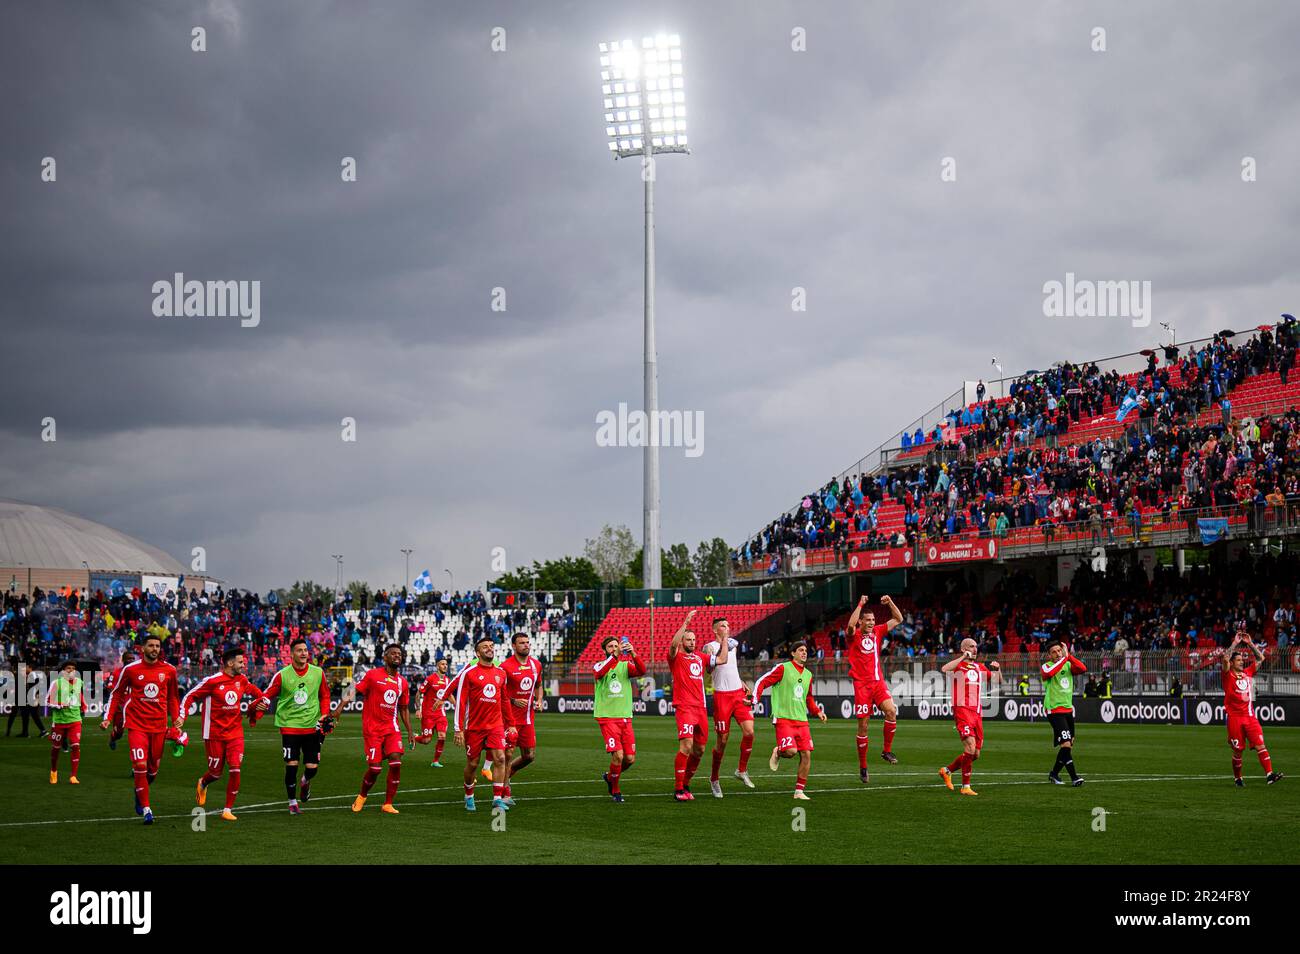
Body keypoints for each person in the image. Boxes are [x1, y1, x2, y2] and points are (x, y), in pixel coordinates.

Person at [177, 647, 269, 821]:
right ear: (230, 663)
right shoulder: (212, 681)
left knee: (235, 768)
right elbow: (189, 696)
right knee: (215, 773)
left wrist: (262, 701)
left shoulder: (241, 680)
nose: (243, 665)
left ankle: (227, 809)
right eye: (241, 662)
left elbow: (259, 694)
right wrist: (182, 716)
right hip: (214, 734)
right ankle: (203, 782)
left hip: (235, 733)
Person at [100, 633, 180, 824]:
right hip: (137, 726)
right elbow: (117, 694)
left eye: (157, 646)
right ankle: (147, 809)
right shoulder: (131, 669)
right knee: (140, 765)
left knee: (152, 771)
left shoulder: (169, 670)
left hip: (159, 727)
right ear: (142, 649)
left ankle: (139, 790)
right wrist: (107, 718)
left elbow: (173, 698)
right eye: (151, 646)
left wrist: (176, 719)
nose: (154, 649)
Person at [439, 634, 515, 812]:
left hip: (496, 725)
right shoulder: (469, 673)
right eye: (485, 647)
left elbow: (504, 700)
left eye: (491, 645)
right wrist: (458, 729)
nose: (490, 648)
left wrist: (510, 723)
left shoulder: (501, 673)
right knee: (473, 764)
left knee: (501, 758)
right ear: (477, 652)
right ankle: (469, 795)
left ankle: (497, 798)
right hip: (474, 727)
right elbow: (461, 702)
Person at [337, 644, 413, 814]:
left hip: (392, 729)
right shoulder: (372, 675)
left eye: (399, 654)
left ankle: (388, 803)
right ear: (385, 657)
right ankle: (362, 796)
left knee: (396, 763)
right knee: (375, 769)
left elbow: (404, 708)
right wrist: (338, 708)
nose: (397, 656)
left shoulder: (403, 682)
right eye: (393, 653)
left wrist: (409, 731)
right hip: (372, 729)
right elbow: (353, 689)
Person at [261, 636, 332, 815]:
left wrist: (324, 714)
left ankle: (305, 782)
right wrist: (260, 704)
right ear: (291, 654)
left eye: (305, 651)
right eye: (299, 651)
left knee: (312, 768)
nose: (303, 653)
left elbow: (325, 695)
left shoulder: (318, 673)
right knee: (291, 765)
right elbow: (267, 694)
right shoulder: (282, 675)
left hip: (312, 726)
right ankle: (292, 802)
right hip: (290, 726)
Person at [751, 640, 826, 800]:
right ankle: (778, 751)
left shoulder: (808, 675)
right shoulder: (783, 668)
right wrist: (754, 700)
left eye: (806, 650)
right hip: (784, 719)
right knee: (791, 752)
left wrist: (817, 711)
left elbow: (809, 697)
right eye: (800, 650)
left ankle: (799, 791)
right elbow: (762, 682)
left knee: (806, 754)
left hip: (802, 721)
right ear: (793, 653)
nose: (804, 652)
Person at [846, 594, 903, 782]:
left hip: (878, 683)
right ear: (861, 622)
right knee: (863, 727)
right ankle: (863, 767)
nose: (871, 623)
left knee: (891, 711)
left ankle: (886, 751)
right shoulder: (853, 636)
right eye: (867, 620)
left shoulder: (878, 631)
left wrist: (890, 603)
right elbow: (850, 626)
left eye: (872, 620)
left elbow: (898, 619)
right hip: (862, 686)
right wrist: (860, 603)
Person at [1212, 634, 1283, 786]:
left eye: (1242, 660)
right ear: (1232, 663)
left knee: (1261, 746)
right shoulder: (1227, 675)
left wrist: (1250, 643)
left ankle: (1269, 775)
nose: (1242, 662)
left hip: (1250, 717)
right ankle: (1238, 778)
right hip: (1235, 718)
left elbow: (1261, 658)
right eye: (1238, 660)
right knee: (1238, 751)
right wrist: (1235, 643)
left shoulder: (1248, 672)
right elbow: (1224, 658)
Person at [938, 638, 1000, 796]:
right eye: (971, 646)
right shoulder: (958, 665)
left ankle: (947, 771)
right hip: (962, 709)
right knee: (970, 748)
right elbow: (944, 669)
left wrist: (997, 669)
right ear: (964, 648)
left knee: (975, 754)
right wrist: (962, 657)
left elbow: (997, 680)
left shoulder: (979, 667)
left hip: (977, 713)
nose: (975, 649)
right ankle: (965, 787)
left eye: (976, 646)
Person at [702, 616, 756, 797]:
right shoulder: (710, 647)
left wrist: (741, 681)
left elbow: (731, 668)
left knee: (749, 732)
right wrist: (723, 645)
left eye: (728, 625)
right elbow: (710, 671)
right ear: (715, 630)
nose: (727, 628)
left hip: (738, 694)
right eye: (723, 626)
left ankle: (741, 770)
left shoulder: (732, 646)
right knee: (722, 741)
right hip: (722, 696)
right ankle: (714, 779)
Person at [593, 634, 645, 803]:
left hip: (625, 718)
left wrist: (634, 654)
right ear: (605, 650)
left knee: (630, 759)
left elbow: (642, 670)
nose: (614, 649)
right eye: (611, 647)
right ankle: (615, 790)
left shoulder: (625, 665)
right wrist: (615, 656)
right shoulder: (599, 665)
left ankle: (610, 777)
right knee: (619, 756)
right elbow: (600, 672)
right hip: (607, 718)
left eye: (616, 646)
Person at [667, 608, 709, 801]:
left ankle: (686, 784)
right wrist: (685, 624)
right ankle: (678, 790)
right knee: (687, 745)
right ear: (683, 642)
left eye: (693, 639)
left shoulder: (701, 657)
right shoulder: (676, 658)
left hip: (701, 708)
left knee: (699, 750)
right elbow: (673, 645)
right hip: (684, 707)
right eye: (688, 639)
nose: (692, 642)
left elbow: (722, 661)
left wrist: (724, 638)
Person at [499, 632, 543, 807]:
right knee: (507, 755)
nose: (526, 645)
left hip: (527, 719)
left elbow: (539, 685)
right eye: (521, 643)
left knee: (529, 756)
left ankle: (505, 775)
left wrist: (539, 700)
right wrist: (513, 701)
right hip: (509, 719)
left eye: (527, 642)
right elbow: (499, 692)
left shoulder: (536, 664)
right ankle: (504, 792)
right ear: (513, 646)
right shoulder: (505, 667)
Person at [1040, 639, 1086, 786]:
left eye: (1059, 650)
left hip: (1067, 709)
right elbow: (1050, 673)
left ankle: (1054, 774)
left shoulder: (1067, 664)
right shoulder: (1046, 667)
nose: (1057, 654)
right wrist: (1065, 658)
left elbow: (1082, 668)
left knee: (1069, 744)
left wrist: (1069, 656)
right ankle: (1074, 777)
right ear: (1049, 655)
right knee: (1065, 744)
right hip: (1054, 710)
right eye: (1054, 652)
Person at [45, 661, 87, 784]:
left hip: (75, 719)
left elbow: (79, 694)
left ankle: (73, 776)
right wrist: (59, 705)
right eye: (68, 668)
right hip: (59, 721)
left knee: (75, 745)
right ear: (63, 670)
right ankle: (53, 771)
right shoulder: (56, 683)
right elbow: (47, 701)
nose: (71, 670)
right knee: (56, 748)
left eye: (73, 668)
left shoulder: (79, 682)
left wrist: (83, 705)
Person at [414, 656, 451, 767]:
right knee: (426, 740)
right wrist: (417, 709)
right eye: (442, 664)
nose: (445, 666)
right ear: (437, 666)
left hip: (440, 714)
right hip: (428, 714)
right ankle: (414, 737)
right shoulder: (430, 679)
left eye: (446, 664)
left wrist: (458, 706)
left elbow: (449, 696)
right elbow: (418, 693)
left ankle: (435, 761)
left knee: (442, 736)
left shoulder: (447, 680)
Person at [104, 649, 135, 749]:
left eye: (133, 659)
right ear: (123, 660)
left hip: (134, 707)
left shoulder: (137, 673)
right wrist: (118, 705)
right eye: (129, 659)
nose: (131, 660)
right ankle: (113, 738)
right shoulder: (117, 673)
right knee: (119, 733)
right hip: (120, 707)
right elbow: (111, 690)